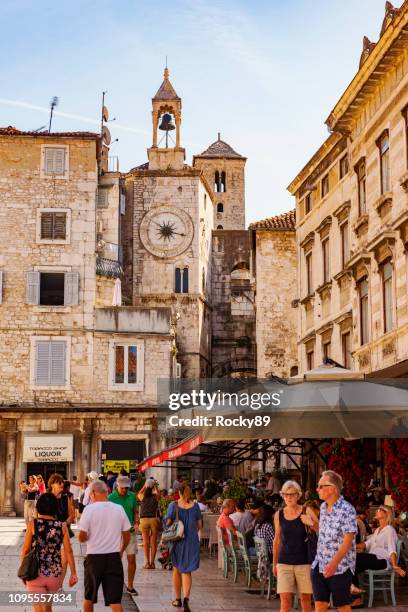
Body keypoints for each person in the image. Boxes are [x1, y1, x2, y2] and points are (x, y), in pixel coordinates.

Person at [78, 480, 131, 612]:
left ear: (94, 494)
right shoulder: (119, 509)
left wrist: (88, 536)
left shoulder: (89, 510)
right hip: (113, 558)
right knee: (115, 601)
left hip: (94, 558)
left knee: (89, 597)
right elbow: (127, 535)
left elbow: (81, 537)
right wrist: (121, 550)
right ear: (106, 492)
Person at [20, 493, 77, 611]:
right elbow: (69, 551)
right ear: (55, 508)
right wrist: (73, 573)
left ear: (39, 507)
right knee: (48, 607)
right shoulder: (62, 526)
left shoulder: (33, 524)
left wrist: (23, 570)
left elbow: (25, 549)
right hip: (54, 574)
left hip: (36, 572)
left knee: (38, 608)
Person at [312, 470, 357, 612]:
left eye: (320, 486)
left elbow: (348, 541)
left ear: (331, 489)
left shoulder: (347, 509)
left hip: (340, 567)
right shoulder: (323, 507)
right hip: (320, 564)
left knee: (342, 607)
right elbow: (324, 534)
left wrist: (334, 563)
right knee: (320, 606)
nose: (317, 489)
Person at [351, 505, 406, 606]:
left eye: (380, 509)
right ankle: (352, 592)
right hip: (373, 558)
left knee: (352, 560)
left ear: (386, 514)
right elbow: (366, 544)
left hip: (381, 560)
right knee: (349, 560)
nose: (377, 510)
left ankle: (356, 597)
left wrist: (394, 565)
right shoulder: (377, 530)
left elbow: (392, 549)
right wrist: (346, 547)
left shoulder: (389, 529)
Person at [273, 480, 312, 612]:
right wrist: (274, 563)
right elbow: (277, 540)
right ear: (283, 496)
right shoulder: (278, 515)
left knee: (305, 601)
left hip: (304, 562)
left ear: (298, 495)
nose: (289, 497)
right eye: (286, 495)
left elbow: (321, 530)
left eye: (292, 494)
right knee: (285, 601)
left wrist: (311, 522)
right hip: (284, 562)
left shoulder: (307, 511)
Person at [165, 483, 202, 612]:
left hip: (177, 542)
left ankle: (178, 599)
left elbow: (168, 522)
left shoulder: (173, 505)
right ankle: (186, 599)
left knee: (176, 570)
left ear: (179, 492)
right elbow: (199, 525)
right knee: (187, 571)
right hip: (192, 541)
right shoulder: (196, 506)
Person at [108, 475, 139, 595]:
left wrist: (136, 521)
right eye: (122, 488)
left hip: (130, 532)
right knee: (116, 560)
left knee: (131, 559)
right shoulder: (111, 498)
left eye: (127, 488)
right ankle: (115, 585)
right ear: (117, 486)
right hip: (116, 534)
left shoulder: (132, 496)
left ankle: (130, 586)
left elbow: (135, 511)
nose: (125, 490)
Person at [137, 477, 161, 569]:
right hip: (153, 520)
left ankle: (147, 563)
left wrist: (144, 485)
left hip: (143, 520)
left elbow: (138, 493)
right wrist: (155, 486)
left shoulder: (142, 496)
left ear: (146, 487)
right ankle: (153, 563)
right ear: (153, 487)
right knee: (153, 543)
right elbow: (159, 495)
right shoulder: (155, 496)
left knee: (146, 542)